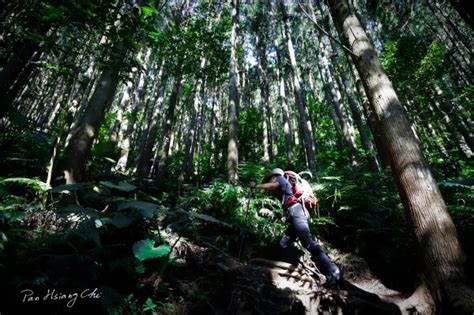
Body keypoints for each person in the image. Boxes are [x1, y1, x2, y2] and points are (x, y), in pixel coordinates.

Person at [250, 168, 341, 287]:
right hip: (295, 214)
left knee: (307, 242)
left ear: (273, 177)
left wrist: (256, 186)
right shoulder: (286, 187)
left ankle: (333, 270)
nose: (270, 181)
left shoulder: (280, 179)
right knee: (284, 243)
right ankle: (291, 271)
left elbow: (273, 186)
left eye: (269, 179)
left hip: (297, 212)